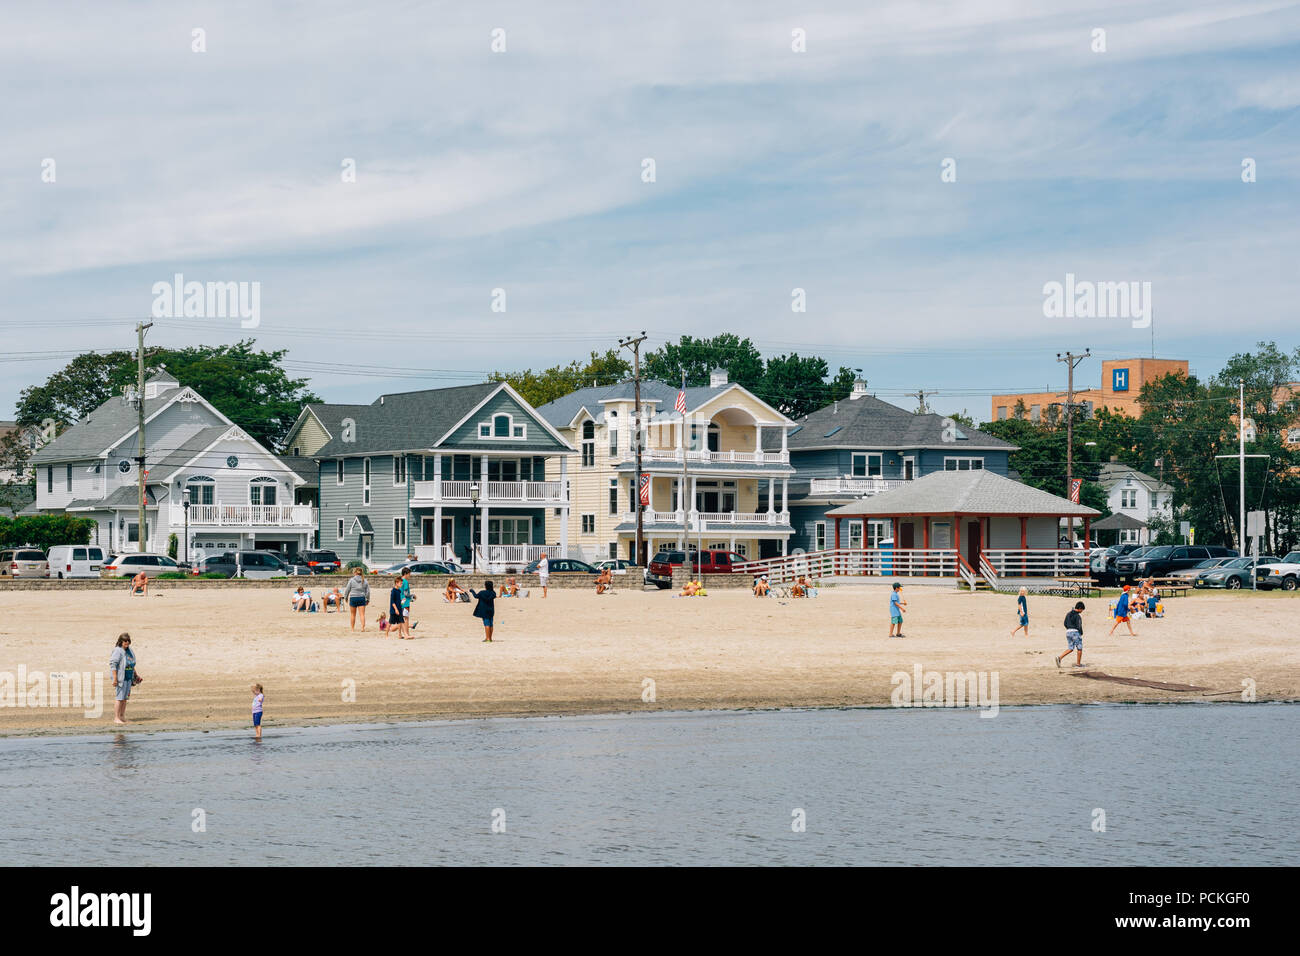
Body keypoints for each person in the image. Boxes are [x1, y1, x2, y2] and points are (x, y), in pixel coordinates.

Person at [108, 633, 142, 724]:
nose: (127, 642)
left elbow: (131, 664)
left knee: (125, 698)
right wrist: (115, 679)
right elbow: (113, 665)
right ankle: (116, 717)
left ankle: (122, 717)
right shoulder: (117, 651)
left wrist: (136, 675)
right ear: (121, 641)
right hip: (120, 678)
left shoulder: (129, 650)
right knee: (119, 697)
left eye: (128, 641)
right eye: (125, 641)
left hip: (128, 677)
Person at [1056, 601, 1086, 668]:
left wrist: (1069, 629)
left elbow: (1065, 623)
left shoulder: (1068, 614)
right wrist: (1081, 633)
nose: (1082, 611)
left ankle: (1059, 658)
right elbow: (1079, 626)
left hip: (1068, 632)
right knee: (1079, 648)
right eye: (1082, 610)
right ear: (1080, 608)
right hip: (1075, 632)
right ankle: (1078, 664)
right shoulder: (1077, 616)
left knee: (1070, 648)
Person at [399, 567, 414, 638]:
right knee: (406, 618)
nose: (410, 575)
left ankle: (400, 634)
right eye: (409, 574)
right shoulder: (405, 582)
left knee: (401, 618)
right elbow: (406, 593)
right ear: (405, 574)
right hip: (405, 601)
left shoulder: (399, 580)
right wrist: (412, 596)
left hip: (399, 601)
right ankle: (407, 634)